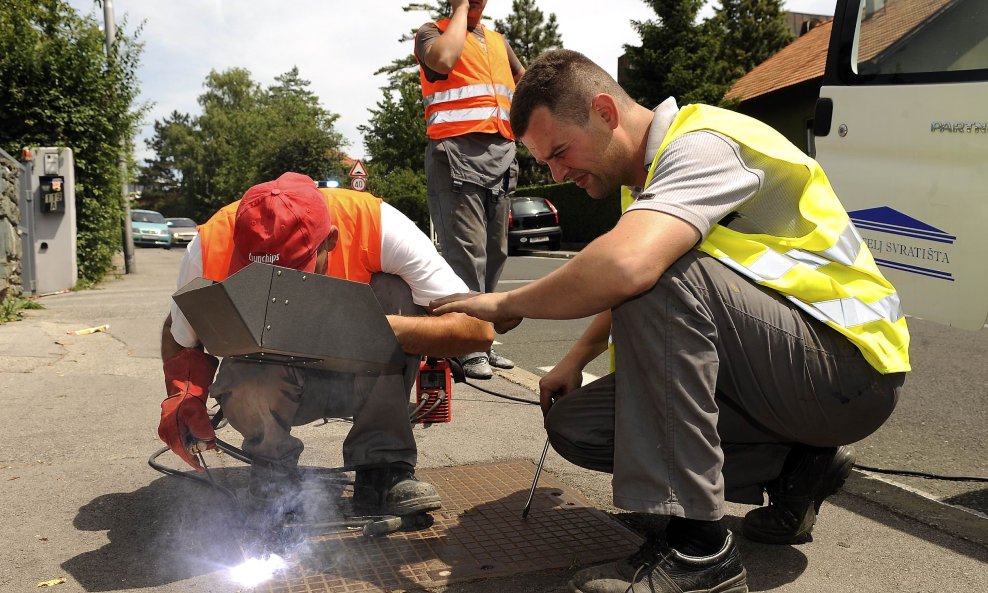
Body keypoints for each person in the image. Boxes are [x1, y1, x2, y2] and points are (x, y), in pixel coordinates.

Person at [432, 50, 909, 593]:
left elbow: (630, 268)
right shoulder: (649, 180)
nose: (557, 173)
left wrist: (505, 304)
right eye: (545, 164)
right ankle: (798, 468)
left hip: (849, 372)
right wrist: (574, 359)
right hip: (787, 380)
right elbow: (632, 279)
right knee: (578, 423)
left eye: (560, 152)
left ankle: (702, 553)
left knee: (658, 271)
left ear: (606, 112)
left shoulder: (703, 144)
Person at [158, 172, 493, 524]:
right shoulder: (211, 242)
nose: (281, 290)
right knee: (239, 369)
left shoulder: (378, 225)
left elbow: (478, 329)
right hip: (272, 380)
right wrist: (183, 399)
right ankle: (274, 472)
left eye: (294, 271)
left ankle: (382, 468)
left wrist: (384, 329)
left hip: (362, 377)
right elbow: (180, 334)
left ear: (330, 240)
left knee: (394, 291)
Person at [414, 0, 525, 379]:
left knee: (495, 251)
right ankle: (466, 344)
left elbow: (525, 89)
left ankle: (483, 337)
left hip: (500, 152)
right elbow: (444, 60)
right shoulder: (431, 33)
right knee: (465, 253)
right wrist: (460, 9)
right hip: (456, 153)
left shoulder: (497, 41)